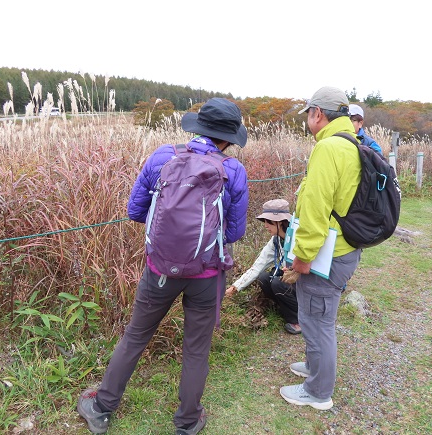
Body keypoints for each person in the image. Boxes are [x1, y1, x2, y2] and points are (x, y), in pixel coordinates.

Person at [77, 98, 249, 435]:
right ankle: (187, 422)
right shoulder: (233, 170)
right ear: (228, 138)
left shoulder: (161, 156)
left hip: (159, 269)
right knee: (196, 347)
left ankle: (102, 407)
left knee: (136, 336)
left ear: (197, 128)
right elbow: (234, 232)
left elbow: (135, 211)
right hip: (208, 273)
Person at [279, 86, 362, 410]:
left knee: (318, 321)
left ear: (318, 114)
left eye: (309, 115)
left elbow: (315, 210)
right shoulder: (351, 143)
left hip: (327, 254)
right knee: (315, 316)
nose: (308, 121)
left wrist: (302, 258)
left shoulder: (328, 148)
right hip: (343, 249)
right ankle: (315, 368)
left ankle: (317, 392)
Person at [226, 198, 301, 335]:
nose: (265, 225)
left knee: (278, 283)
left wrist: (294, 271)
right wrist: (235, 287)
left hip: (304, 283)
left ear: (279, 222)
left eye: (268, 221)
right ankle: (285, 308)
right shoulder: (276, 240)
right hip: (290, 279)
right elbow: (258, 266)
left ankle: (298, 319)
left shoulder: (298, 236)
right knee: (264, 278)